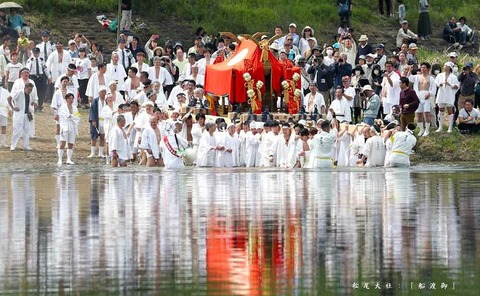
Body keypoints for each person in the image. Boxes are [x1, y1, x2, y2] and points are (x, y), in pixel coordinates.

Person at [7, 83, 36, 151]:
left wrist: (33, 103)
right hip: (19, 114)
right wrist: (13, 107)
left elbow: (30, 102)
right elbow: (9, 98)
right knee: (17, 130)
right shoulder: (19, 92)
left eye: (31, 90)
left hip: (27, 114)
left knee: (27, 130)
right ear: (25, 88)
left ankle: (26, 145)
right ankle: (13, 145)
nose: (30, 91)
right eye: (29, 90)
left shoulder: (30, 94)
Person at [435, 62, 460, 133]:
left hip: (449, 95)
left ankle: (450, 127)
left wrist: (450, 85)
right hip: (441, 94)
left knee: (450, 110)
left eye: (446, 66)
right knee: (441, 109)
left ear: (449, 68)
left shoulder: (453, 77)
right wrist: (439, 84)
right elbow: (436, 82)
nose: (444, 67)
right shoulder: (440, 75)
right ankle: (440, 126)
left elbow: (457, 86)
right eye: (444, 65)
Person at [413, 62, 436, 136]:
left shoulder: (431, 78)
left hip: (427, 96)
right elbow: (409, 78)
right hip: (419, 96)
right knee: (419, 114)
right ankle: (421, 130)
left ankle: (427, 130)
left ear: (428, 69)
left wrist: (429, 93)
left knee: (426, 113)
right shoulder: (417, 77)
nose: (422, 69)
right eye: (421, 67)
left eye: (424, 67)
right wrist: (410, 70)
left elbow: (433, 89)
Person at [57, 93, 80, 165]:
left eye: (72, 98)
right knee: (62, 143)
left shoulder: (75, 108)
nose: (71, 100)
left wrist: (71, 116)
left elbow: (78, 117)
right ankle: (60, 159)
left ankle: (69, 159)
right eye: (70, 98)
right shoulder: (62, 107)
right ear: (66, 99)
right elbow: (64, 116)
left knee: (71, 143)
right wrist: (71, 116)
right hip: (65, 126)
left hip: (72, 126)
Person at [88, 86, 108, 158]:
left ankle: (101, 153)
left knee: (103, 136)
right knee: (94, 136)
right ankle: (92, 152)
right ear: (99, 93)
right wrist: (93, 120)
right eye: (102, 92)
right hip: (97, 120)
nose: (104, 93)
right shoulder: (95, 101)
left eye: (104, 92)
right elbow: (92, 111)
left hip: (104, 120)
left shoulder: (106, 101)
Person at [51, 76, 69, 148]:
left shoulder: (69, 92)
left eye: (66, 81)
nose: (65, 83)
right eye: (64, 81)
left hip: (67, 112)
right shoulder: (57, 93)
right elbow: (54, 104)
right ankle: (59, 143)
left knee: (67, 128)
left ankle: (67, 142)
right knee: (58, 128)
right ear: (61, 82)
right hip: (59, 112)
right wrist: (55, 114)